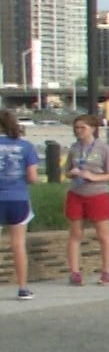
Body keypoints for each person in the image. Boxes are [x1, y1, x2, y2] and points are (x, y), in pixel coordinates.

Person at [63, 114, 109, 286]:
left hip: (97, 193)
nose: (79, 131)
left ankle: (106, 271)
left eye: (82, 127)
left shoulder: (103, 148)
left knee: (103, 234)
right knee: (75, 234)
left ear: (92, 128)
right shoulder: (74, 148)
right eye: (76, 128)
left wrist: (93, 176)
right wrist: (72, 173)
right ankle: (74, 272)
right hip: (76, 192)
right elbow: (66, 171)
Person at [1, 110, 40, 300]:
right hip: (18, 198)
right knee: (18, 244)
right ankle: (23, 287)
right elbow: (32, 178)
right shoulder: (25, 146)